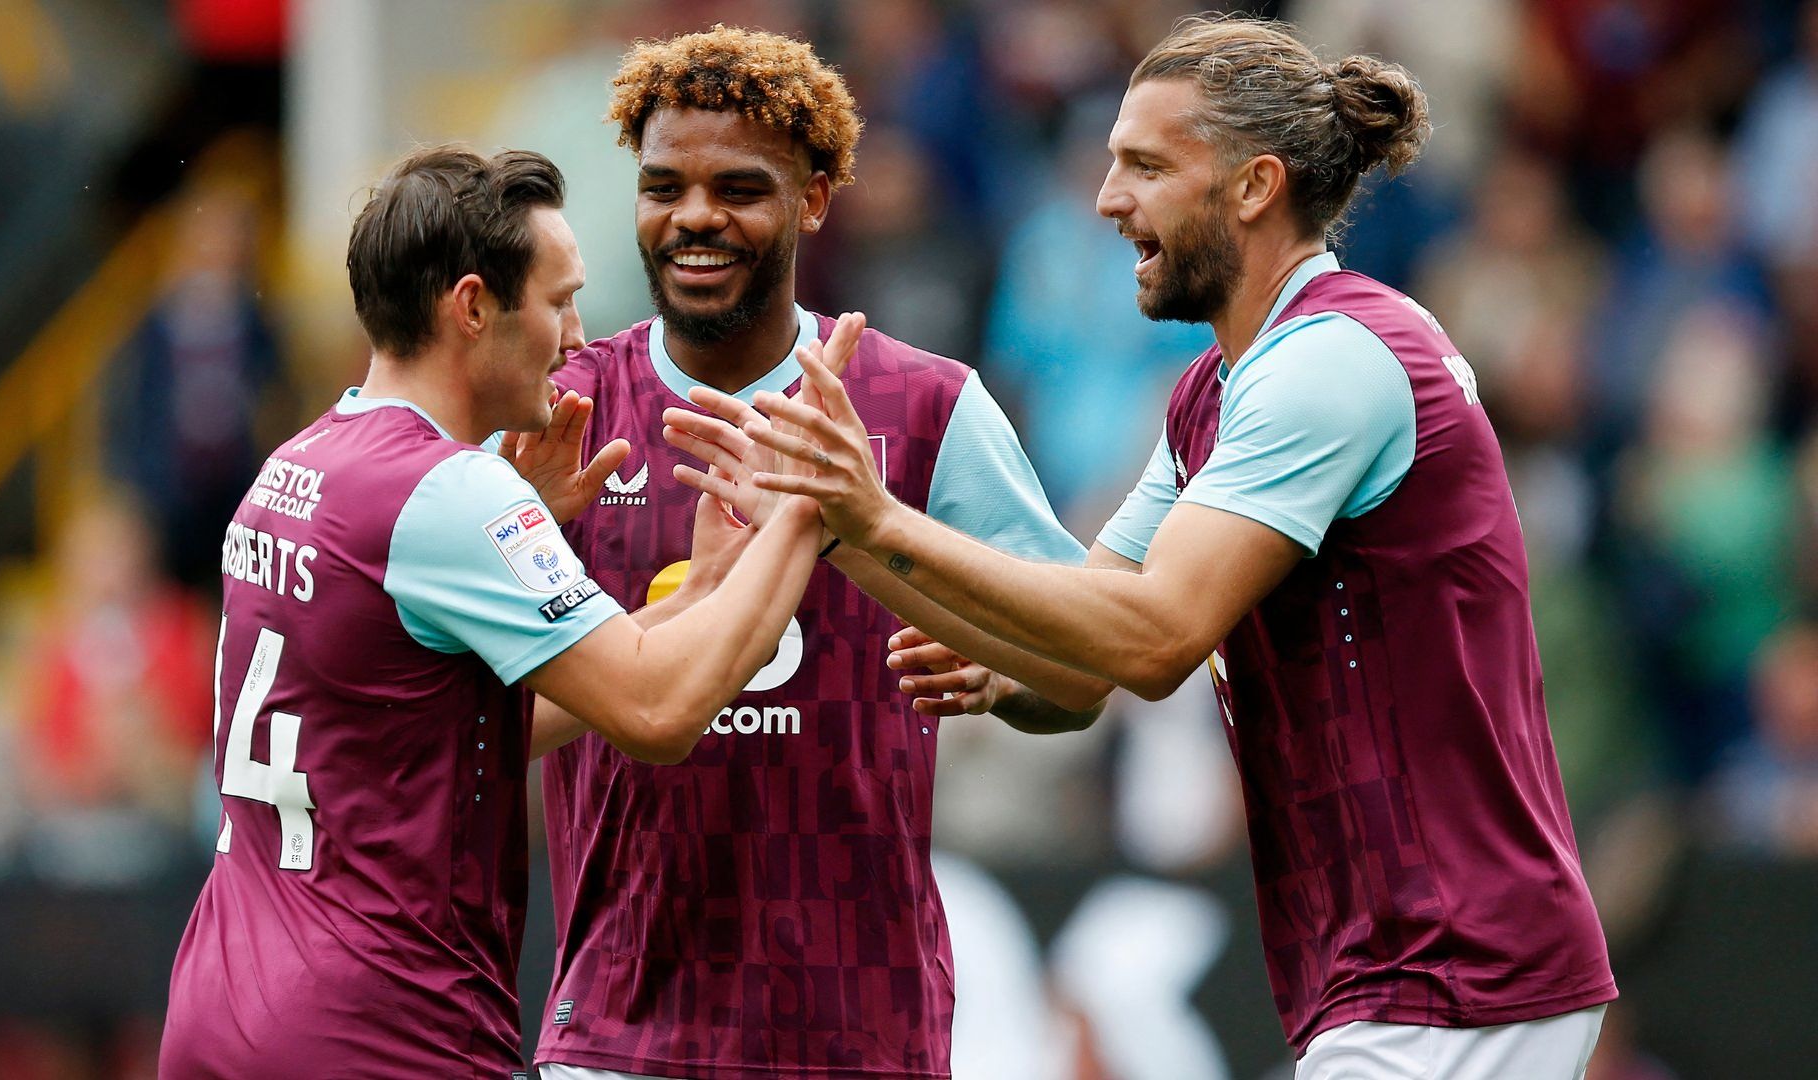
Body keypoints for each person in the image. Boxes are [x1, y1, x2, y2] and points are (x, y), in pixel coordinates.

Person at [675, 15, 1619, 1078]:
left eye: (1145, 166)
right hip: (1400, 975)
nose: (1108, 198)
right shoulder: (1216, 394)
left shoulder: (1334, 365)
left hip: (1455, 967)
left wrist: (876, 519)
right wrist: (845, 542)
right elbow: (1081, 663)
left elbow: (1157, 638)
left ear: (1255, 185)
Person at [158, 145, 835, 1079]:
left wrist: (709, 592)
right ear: (472, 307)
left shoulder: (299, 463)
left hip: (223, 1006)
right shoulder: (452, 493)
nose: (575, 335)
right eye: (557, 301)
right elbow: (659, 713)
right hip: (376, 1029)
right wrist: (809, 504)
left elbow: (446, 735)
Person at [531, 27, 1108, 1080]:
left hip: (857, 1038)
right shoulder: (567, 415)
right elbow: (464, 715)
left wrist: (1000, 674)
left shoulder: (928, 409)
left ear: (814, 199)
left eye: (740, 188)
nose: (695, 216)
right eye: (665, 186)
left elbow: (1082, 677)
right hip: (619, 1035)